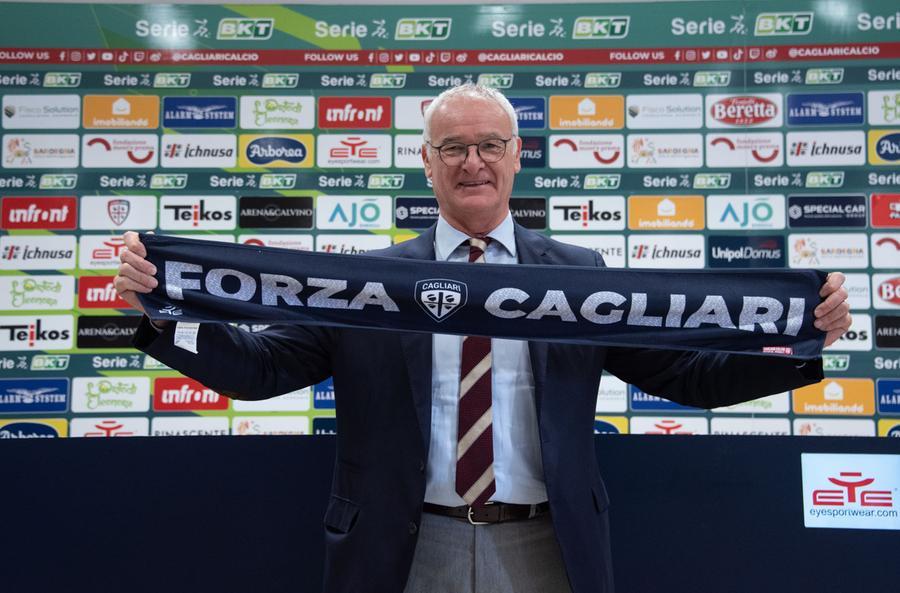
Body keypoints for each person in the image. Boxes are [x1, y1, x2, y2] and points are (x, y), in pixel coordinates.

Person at [115, 84, 852, 593]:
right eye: (454, 147)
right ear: (427, 162)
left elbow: (686, 373)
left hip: (546, 546)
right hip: (403, 549)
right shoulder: (360, 281)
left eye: (489, 144)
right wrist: (162, 312)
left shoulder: (580, 275)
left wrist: (794, 342)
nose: (474, 161)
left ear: (516, 154)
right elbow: (260, 366)